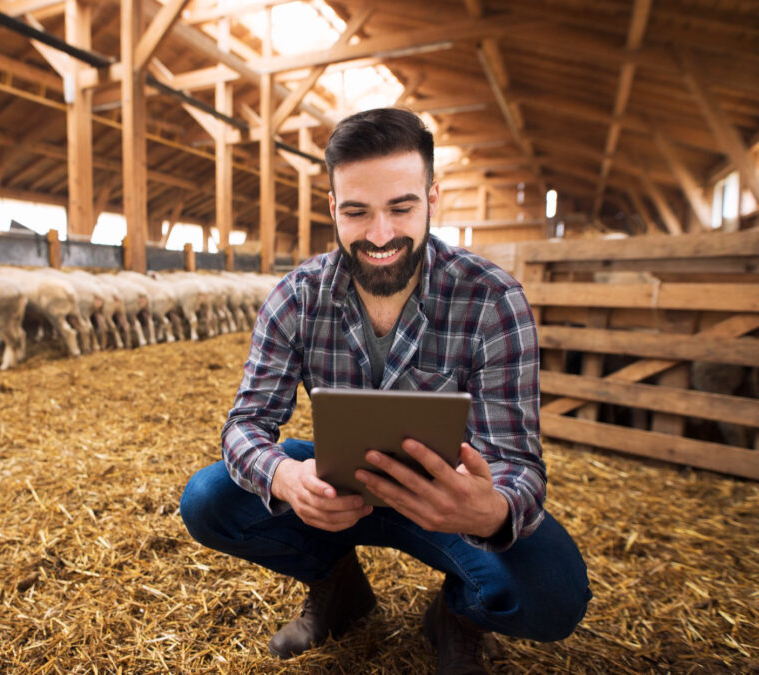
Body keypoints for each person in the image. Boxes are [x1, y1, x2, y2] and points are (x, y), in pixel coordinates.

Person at [180, 107, 591, 673]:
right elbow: (245, 425)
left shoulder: (493, 299)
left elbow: (519, 462)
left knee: (555, 594)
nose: (380, 235)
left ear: (432, 199)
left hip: (444, 498)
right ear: (333, 208)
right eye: (357, 212)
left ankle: (460, 614)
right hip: (338, 486)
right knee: (209, 500)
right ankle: (338, 586)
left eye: (401, 208)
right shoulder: (297, 296)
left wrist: (491, 509)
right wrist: (287, 477)